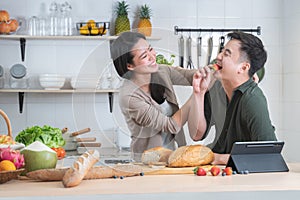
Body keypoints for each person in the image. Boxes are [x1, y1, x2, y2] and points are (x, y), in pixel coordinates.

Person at [110, 31, 209, 161]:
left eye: (150, 49)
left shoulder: (161, 72)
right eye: (145, 56)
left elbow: (191, 76)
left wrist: (214, 70)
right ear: (130, 66)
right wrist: (197, 95)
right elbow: (171, 126)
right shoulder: (129, 97)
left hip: (174, 157)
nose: (153, 56)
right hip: (148, 162)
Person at [196, 32, 277, 165]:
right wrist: (199, 94)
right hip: (220, 173)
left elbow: (269, 155)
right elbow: (197, 135)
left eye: (226, 54)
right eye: (221, 51)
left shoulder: (252, 99)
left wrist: (217, 158)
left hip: (244, 179)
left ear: (243, 67)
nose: (218, 56)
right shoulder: (216, 89)